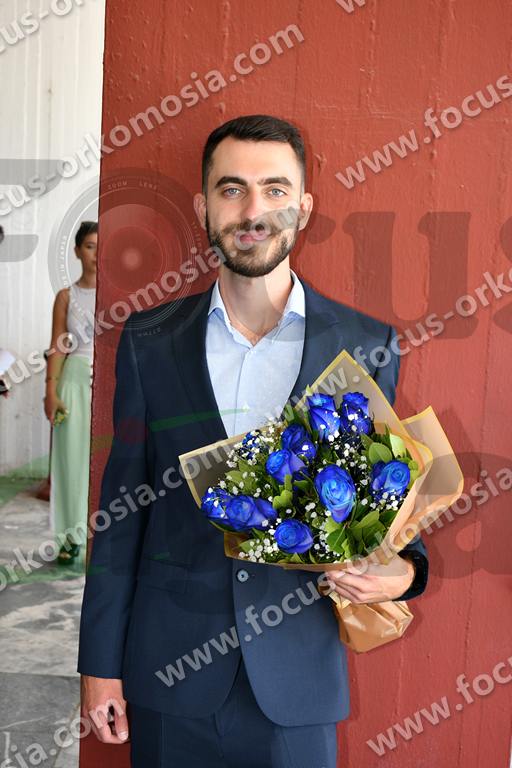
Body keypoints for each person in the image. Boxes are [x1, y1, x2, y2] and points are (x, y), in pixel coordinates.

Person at [78, 116, 428, 767]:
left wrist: (402, 576)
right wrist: (98, 665)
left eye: (274, 189)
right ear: (202, 207)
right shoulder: (150, 340)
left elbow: (390, 500)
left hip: (298, 683)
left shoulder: (365, 343)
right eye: (232, 189)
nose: (253, 211)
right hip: (169, 673)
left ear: (304, 207)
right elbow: (120, 513)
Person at [44, 221, 97, 564]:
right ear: (77, 251)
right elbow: (58, 345)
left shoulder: (121, 293)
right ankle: (69, 537)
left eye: (103, 247)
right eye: (90, 246)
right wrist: (51, 392)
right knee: (70, 461)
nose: (97, 254)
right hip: (74, 382)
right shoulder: (67, 296)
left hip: (110, 382)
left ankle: (101, 536)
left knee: (106, 461)